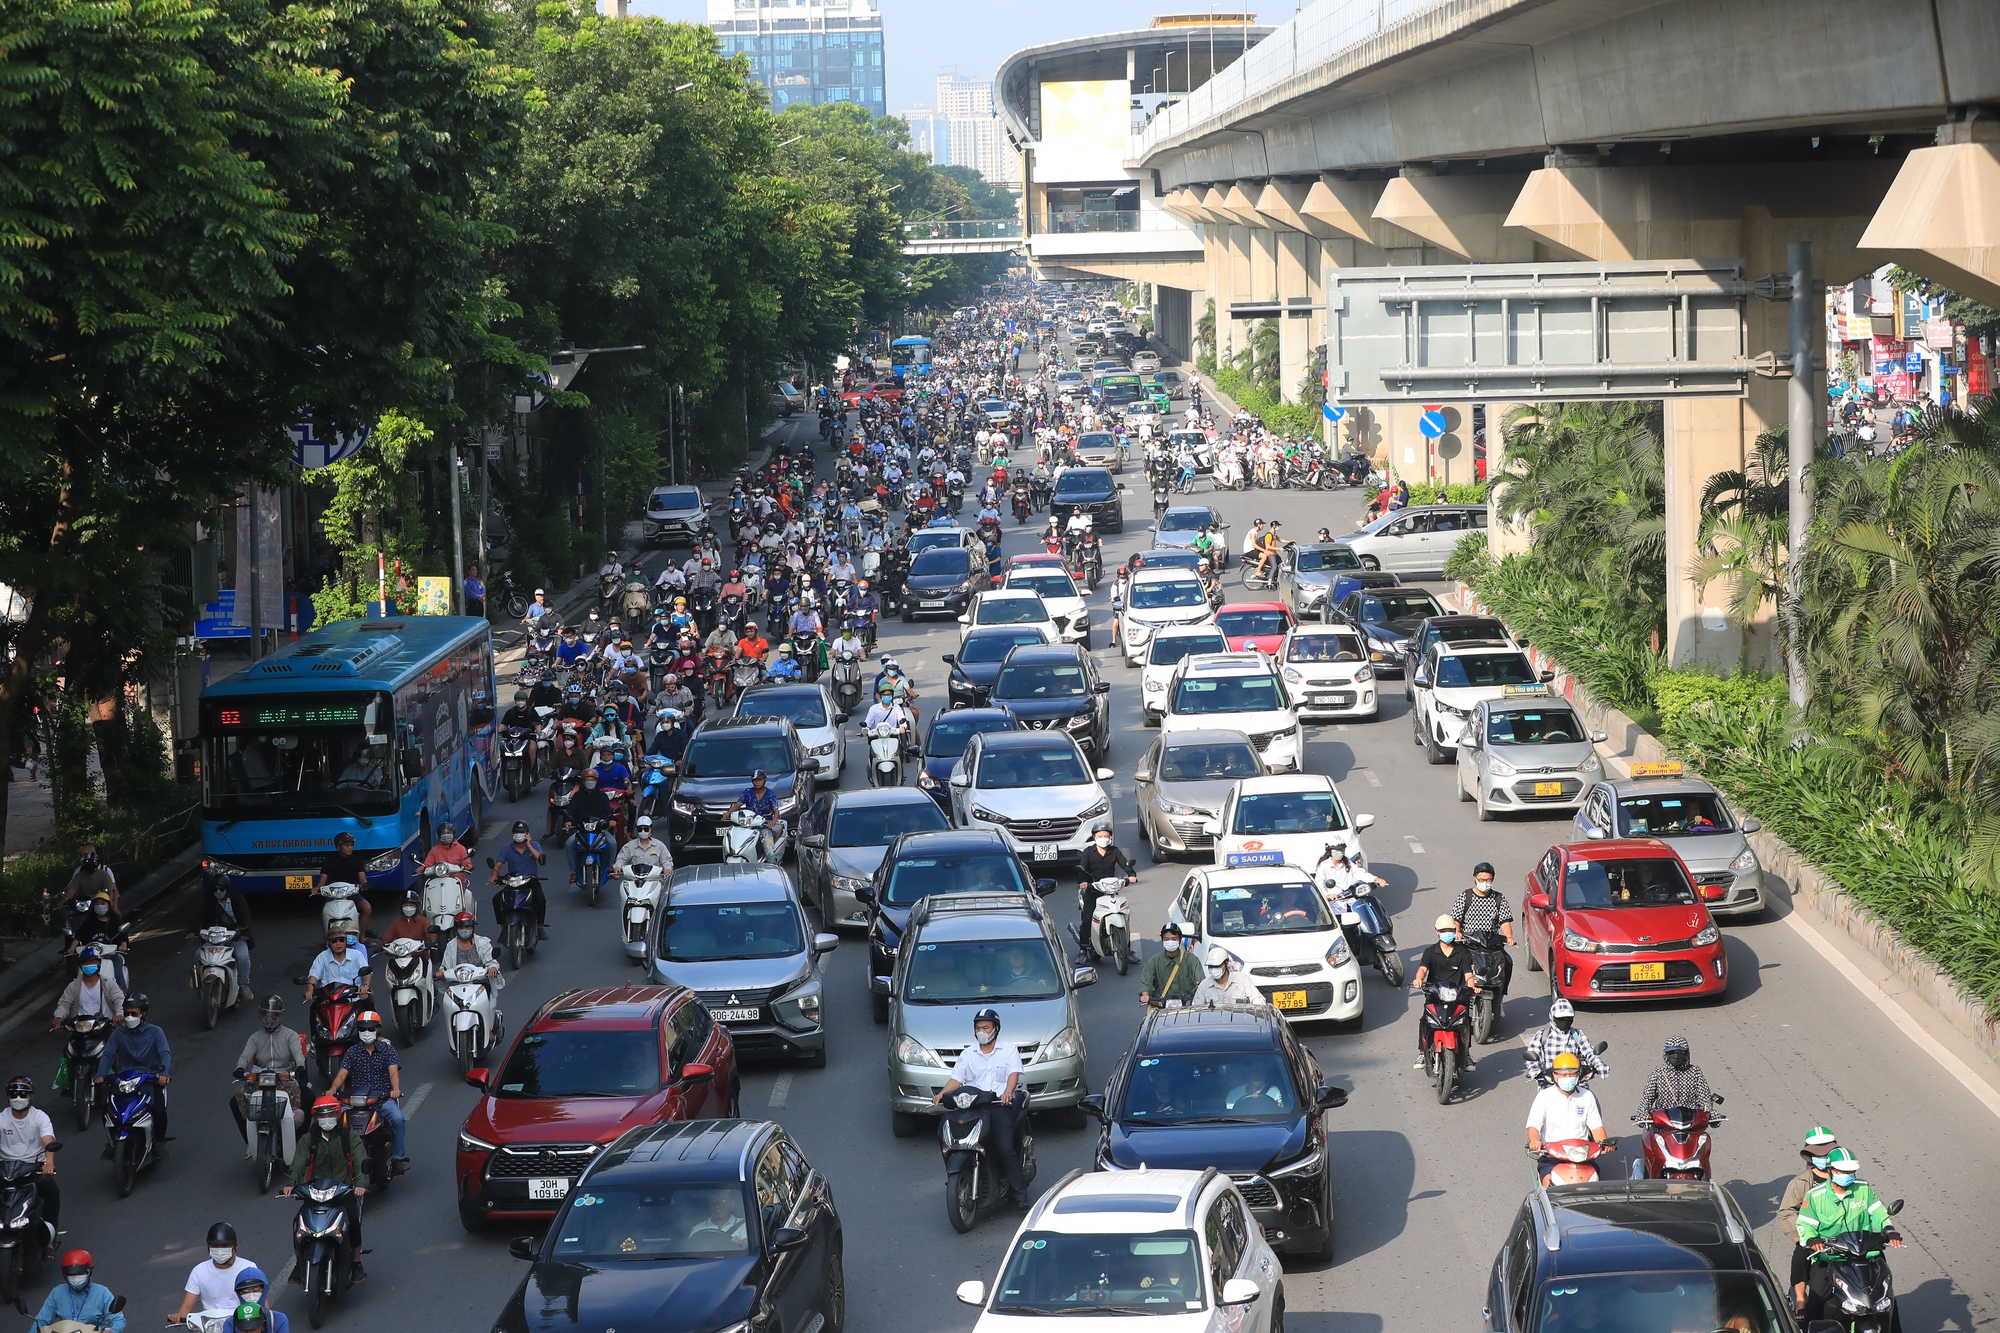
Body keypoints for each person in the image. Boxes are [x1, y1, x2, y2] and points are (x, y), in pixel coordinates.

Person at [930, 1009, 1031, 1208]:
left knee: (1005, 1148)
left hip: (998, 1106)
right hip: (973, 1107)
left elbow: (1013, 1074)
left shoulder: (1008, 1050)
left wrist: (1008, 1092)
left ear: (996, 1029)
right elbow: (956, 1079)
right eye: (978, 1028)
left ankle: (1019, 1193)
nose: (981, 1031)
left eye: (986, 1027)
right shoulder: (968, 1054)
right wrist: (942, 1094)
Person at [1797, 1149, 1901, 1323]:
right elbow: (1805, 1224)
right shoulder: (1815, 1196)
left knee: (1887, 1299)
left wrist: (1889, 1229)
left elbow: (1878, 1212)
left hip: (1865, 1255)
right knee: (1816, 1302)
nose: (1847, 1175)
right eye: (1842, 1171)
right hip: (1830, 1257)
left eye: (1850, 1172)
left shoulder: (1863, 1188)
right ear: (1830, 1170)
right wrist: (1812, 1240)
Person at [283, 1098, 371, 1282]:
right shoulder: (309, 1140)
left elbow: (360, 1159)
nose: (326, 1119)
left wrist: (361, 1185)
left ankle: (356, 1262)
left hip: (343, 1190)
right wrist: (292, 1183)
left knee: (353, 1220)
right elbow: (299, 1163)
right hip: (315, 1192)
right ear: (315, 1118)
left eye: (330, 1114)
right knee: (298, 1224)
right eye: (322, 1115)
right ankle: (299, 1265)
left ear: (338, 1115)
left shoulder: (350, 1137)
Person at [327, 1011, 406, 1175]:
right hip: (357, 1102)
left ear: (378, 1029)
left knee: (398, 1119)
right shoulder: (352, 1052)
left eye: (370, 1028)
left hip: (382, 1100)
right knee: (334, 1123)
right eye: (362, 1029)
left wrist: (395, 1090)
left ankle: (398, 1159)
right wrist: (332, 1090)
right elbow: (342, 1074)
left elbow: (393, 1073)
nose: (366, 1032)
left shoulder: (387, 1050)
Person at [95, 994, 171, 1146]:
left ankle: (159, 1141)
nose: (129, 1017)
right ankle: (112, 1141)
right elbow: (108, 1054)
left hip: (150, 1081)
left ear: (143, 1014)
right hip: (124, 1081)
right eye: (127, 1013)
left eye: (134, 1013)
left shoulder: (156, 1032)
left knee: (159, 1111)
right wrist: (101, 1074)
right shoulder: (118, 1034)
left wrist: (163, 1073)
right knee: (106, 1111)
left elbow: (165, 1053)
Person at [1780, 1126, 1841, 1312]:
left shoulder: (1843, 1177)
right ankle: (1799, 1299)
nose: (1823, 1156)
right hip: (1812, 1238)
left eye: (1827, 1150)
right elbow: (1787, 1212)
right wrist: (1806, 1233)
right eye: (1818, 1151)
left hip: (1842, 1240)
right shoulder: (1800, 1183)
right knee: (1800, 1257)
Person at [1524, 1052, 1607, 1184]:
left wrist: (1605, 1144)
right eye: (1563, 1074)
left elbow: (1597, 1128)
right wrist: (1534, 1140)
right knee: (1549, 1187)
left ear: (1578, 1074)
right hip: (1552, 1156)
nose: (1567, 1077)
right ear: (1555, 1075)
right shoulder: (1544, 1097)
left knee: (1594, 1185)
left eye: (1572, 1073)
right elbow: (1533, 1127)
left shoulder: (1587, 1096)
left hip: (1582, 1155)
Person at [0, 1077, 58, 1258]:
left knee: (52, 1192)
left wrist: (48, 1163)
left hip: (33, 1169)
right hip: (5, 1170)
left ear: (30, 1096)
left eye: (22, 1094)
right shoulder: (2, 1119)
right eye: (14, 1094)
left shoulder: (40, 1118)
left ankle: (49, 1238)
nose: (18, 1098)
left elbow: (48, 1140)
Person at [232, 996, 306, 1136]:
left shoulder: (290, 1035)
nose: (269, 1018)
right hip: (261, 1079)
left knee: (308, 1097)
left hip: (285, 1079)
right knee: (236, 1099)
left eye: (273, 1015)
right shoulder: (255, 1038)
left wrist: (300, 1066)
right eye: (266, 1014)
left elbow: (298, 1054)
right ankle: (249, 1138)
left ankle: (301, 1138)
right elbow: (245, 1056)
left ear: (279, 1016)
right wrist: (239, 1068)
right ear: (261, 1015)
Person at [1412, 914, 1478, 1069]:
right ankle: (1422, 1052)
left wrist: (1472, 986)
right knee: (1425, 1021)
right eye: (1443, 930)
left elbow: (1468, 974)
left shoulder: (1463, 952)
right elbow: (1423, 968)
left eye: (1450, 930)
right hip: (1435, 994)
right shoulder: (1430, 952)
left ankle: (1466, 1054)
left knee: (1465, 1022)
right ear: (1437, 932)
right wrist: (1419, 979)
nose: (1447, 933)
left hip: (1459, 995)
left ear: (1455, 931)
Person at [186, 873, 256, 1003]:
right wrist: (192, 930)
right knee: (198, 955)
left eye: (221, 889)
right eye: (215, 889)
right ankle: (199, 983)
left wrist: (244, 931)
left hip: (235, 937)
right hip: (213, 939)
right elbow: (197, 915)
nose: (218, 892)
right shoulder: (207, 901)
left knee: (243, 957)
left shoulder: (237, 899)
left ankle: (244, 985)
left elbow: (245, 916)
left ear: (227, 888)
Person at [1448, 861, 1515, 993]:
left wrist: (1509, 937)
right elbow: (1456, 919)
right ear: (1475, 878)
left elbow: (1505, 922)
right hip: (1468, 943)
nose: (1485, 883)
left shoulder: (1499, 898)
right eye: (1481, 880)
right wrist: (1457, 932)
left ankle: (1500, 997)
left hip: (1491, 944)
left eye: (1488, 880)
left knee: (1507, 962)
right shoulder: (1465, 896)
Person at [168, 1223, 253, 1325]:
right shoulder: (199, 1271)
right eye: (215, 1246)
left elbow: (261, 1301)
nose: (220, 1250)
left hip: (242, 1323)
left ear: (235, 1246)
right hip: (211, 1325)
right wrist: (178, 1318)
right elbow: (187, 1305)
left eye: (225, 1246)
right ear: (208, 1246)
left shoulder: (249, 1269)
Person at [1074, 825, 1137, 965]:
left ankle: (1127, 949)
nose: (1103, 838)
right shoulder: (1088, 852)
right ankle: (1083, 949)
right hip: (1092, 890)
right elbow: (1082, 869)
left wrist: (1131, 875)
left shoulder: (1114, 851)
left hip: (1110, 890)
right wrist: (1083, 881)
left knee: (1124, 915)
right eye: (1100, 836)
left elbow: (1124, 864)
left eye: (1106, 836)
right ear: (1094, 837)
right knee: (1087, 920)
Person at [32, 1250, 124, 1333]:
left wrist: (113, 1331)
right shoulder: (57, 1293)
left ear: (89, 1272)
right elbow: (41, 1321)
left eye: (80, 1273)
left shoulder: (102, 1292)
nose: (76, 1278)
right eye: (71, 1274)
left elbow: (118, 1319)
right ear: (65, 1275)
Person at [1522, 998, 1609, 1085]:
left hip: (1576, 1081)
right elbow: (1533, 1056)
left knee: (1590, 1098)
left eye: (1568, 1018)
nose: (1564, 1021)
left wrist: (1599, 1064)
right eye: (1560, 1018)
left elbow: (1589, 1051)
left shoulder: (1577, 1034)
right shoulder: (1543, 1035)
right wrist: (1535, 1070)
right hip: (1549, 1082)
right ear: (1552, 1017)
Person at [493, 820, 551, 940]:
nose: (518, 834)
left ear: (527, 833)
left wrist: (529, 845)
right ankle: (503, 928)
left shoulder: (534, 845)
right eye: (516, 832)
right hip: (513, 881)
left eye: (521, 832)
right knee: (497, 900)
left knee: (540, 899)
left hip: (530, 881)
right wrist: (494, 876)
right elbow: (498, 864)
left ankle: (540, 927)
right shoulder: (507, 848)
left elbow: (543, 861)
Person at [560, 771, 612, 896]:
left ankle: (610, 868)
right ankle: (573, 871)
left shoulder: (602, 796)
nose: (590, 782)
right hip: (581, 830)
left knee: (612, 842)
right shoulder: (577, 796)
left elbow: (609, 811)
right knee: (569, 844)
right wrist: (568, 821)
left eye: (592, 779)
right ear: (583, 781)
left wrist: (612, 820)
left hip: (599, 829)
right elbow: (570, 812)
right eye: (587, 779)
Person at [436, 912, 504, 1007]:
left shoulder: (483, 943)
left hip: (480, 984)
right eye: (461, 927)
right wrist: (441, 972)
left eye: (468, 927)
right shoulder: (450, 946)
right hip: (457, 985)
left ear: (473, 927)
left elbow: (491, 961)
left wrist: (492, 968)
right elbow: (445, 966)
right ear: (456, 928)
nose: (465, 930)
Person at [313, 832, 372, 941]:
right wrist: (317, 888)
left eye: (351, 845)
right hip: (334, 894)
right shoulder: (330, 861)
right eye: (347, 845)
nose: (350, 848)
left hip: (352, 893)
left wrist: (364, 884)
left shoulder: (357, 859)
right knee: (324, 911)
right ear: (339, 846)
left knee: (367, 908)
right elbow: (322, 880)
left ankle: (362, 936)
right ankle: (327, 938)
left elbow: (362, 878)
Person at [1634, 1034, 1714, 1115]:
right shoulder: (1658, 1072)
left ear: (1686, 1053)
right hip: (1663, 1123)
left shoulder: (1695, 1072)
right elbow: (1647, 1098)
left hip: (1690, 1122)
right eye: (1672, 1052)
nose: (1676, 1055)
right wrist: (1642, 1114)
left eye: (1680, 1052)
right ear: (1666, 1053)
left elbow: (1704, 1098)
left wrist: (1711, 1113)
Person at [50, 947, 123, 1033]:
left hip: (104, 1027)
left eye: (92, 962)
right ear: (81, 965)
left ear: (99, 963)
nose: (89, 964)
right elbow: (64, 1004)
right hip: (80, 1028)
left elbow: (119, 1000)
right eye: (85, 962)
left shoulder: (108, 983)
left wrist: (119, 1014)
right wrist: (59, 1016)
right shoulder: (73, 986)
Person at [1137, 923, 1200, 1008]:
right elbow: (1146, 983)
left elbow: (1201, 982)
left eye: (1174, 939)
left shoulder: (1192, 959)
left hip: (1187, 1008)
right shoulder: (1154, 961)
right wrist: (1145, 994)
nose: (1170, 942)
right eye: (1166, 939)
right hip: (1161, 1008)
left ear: (1179, 940)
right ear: (1162, 941)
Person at [729, 770, 784, 861]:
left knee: (769, 851)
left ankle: (772, 867)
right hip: (748, 826)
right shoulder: (747, 792)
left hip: (764, 826)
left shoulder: (771, 794)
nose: (757, 782)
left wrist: (773, 821)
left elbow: (776, 810)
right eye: (755, 780)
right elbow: (737, 805)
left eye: (759, 780)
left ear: (765, 780)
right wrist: (729, 813)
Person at [304, 932, 370, 1005]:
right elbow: (314, 975)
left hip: (353, 998)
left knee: (369, 1012)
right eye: (334, 940)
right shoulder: (322, 957)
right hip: (328, 1000)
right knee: (314, 1010)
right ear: (328, 943)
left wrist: (365, 986)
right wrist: (310, 990)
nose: (338, 943)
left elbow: (367, 972)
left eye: (341, 940)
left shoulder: (356, 954)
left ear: (345, 941)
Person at [1192, 946, 1262, 1008]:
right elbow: (1196, 1009)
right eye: (1210, 966)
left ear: (1226, 963)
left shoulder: (1242, 980)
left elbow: (1258, 999)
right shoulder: (1204, 985)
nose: (1213, 969)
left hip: (1239, 1021)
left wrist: (1257, 1010)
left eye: (1217, 966)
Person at [60, 846, 119, 915]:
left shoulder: (105, 871)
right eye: (81, 855)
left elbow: (113, 890)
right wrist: (64, 899)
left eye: (85, 855)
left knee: (115, 916)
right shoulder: (79, 871)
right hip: (84, 904)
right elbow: (72, 890)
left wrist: (113, 905)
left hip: (102, 903)